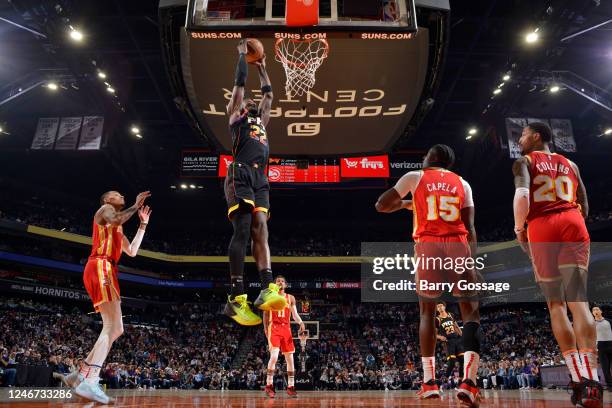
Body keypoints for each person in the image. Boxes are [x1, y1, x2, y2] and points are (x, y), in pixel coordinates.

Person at [375, 144, 482, 406]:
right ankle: (469, 382)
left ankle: (429, 382)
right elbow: (469, 226)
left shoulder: (415, 176)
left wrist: (405, 204)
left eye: (424, 156)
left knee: (427, 311)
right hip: (458, 243)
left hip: (428, 244)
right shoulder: (462, 183)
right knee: (470, 311)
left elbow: (381, 205)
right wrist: (474, 260)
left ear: (431, 158)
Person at [512, 122, 602, 407]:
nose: (520, 139)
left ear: (537, 136)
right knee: (580, 302)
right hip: (572, 222)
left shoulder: (524, 161)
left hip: (542, 226)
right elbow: (584, 205)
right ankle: (592, 382)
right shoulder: (571, 164)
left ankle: (577, 377)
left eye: (523, 134)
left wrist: (518, 230)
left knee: (556, 305)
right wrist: (572, 223)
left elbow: (523, 195)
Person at [63, 190, 151, 403]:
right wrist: (135, 205)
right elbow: (118, 217)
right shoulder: (105, 211)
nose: (121, 196)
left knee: (116, 328)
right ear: (106, 199)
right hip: (100, 266)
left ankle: (79, 375)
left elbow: (132, 251)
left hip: (107, 270)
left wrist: (142, 225)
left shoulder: (117, 227)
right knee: (112, 327)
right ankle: (90, 381)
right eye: (117, 194)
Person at [223, 39, 286, 326]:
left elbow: (270, 96)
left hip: (261, 178)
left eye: (253, 100)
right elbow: (238, 85)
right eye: (249, 100)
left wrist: (262, 68)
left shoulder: (262, 120)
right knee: (244, 229)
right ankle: (236, 297)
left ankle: (265, 289)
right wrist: (240, 56)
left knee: (262, 229)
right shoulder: (236, 115)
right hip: (240, 173)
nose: (253, 102)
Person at [263, 275, 306, 398]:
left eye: (282, 281)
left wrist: (301, 322)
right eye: (278, 281)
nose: (280, 282)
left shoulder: (290, 298)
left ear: (286, 285)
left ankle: (291, 387)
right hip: (274, 328)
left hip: (286, 329)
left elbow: (295, 315)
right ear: (275, 284)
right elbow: (265, 315)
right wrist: (266, 329)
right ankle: (269, 385)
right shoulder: (270, 297)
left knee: (290, 359)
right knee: (274, 356)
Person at [435, 302, 464, 380]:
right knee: (452, 362)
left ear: (444, 307)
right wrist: (440, 337)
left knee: (462, 360)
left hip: (457, 340)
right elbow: (434, 334)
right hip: (448, 342)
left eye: (441, 306)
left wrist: (462, 335)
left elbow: (456, 326)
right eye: (438, 307)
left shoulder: (451, 315)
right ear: (437, 309)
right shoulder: (437, 319)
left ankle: (461, 381)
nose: (440, 307)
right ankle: (445, 378)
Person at [593, 306, 612, 387]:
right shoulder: (591, 323)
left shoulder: (609, 321)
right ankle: (610, 385)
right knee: (605, 368)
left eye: (597, 309)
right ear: (592, 313)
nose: (595, 311)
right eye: (593, 310)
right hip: (600, 346)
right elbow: (592, 337)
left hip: (611, 343)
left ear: (601, 311)